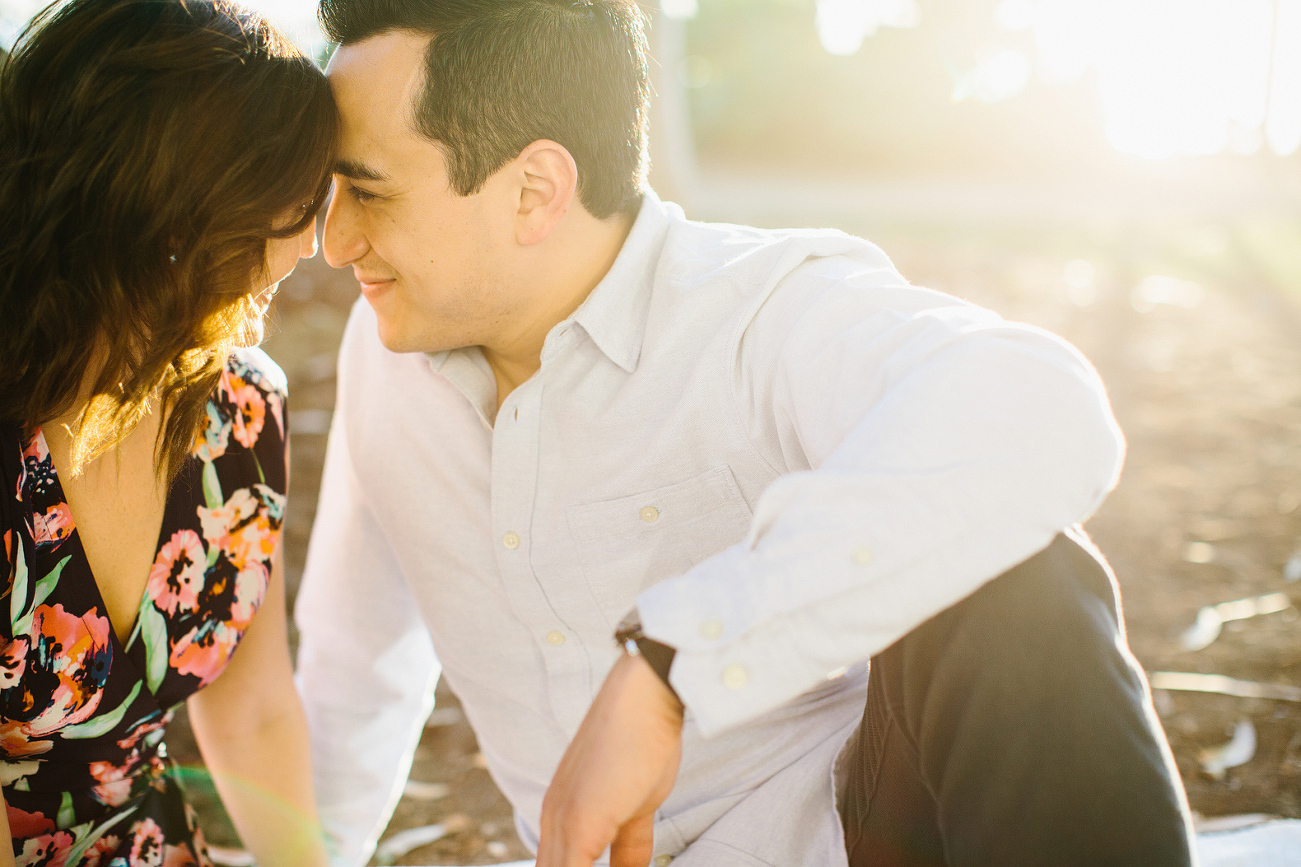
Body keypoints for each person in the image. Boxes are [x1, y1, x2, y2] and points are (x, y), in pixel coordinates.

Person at [294, 1, 1197, 865]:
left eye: (367, 192)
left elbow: (1037, 406)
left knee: (1016, 580)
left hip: (870, 839)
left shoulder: (759, 310)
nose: (333, 241)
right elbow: (350, 679)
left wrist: (676, 663)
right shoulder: (389, 357)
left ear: (536, 189)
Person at [0, 0, 337, 864]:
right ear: (176, 208)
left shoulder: (244, 412)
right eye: (295, 204)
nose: (312, 244)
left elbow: (254, 709)